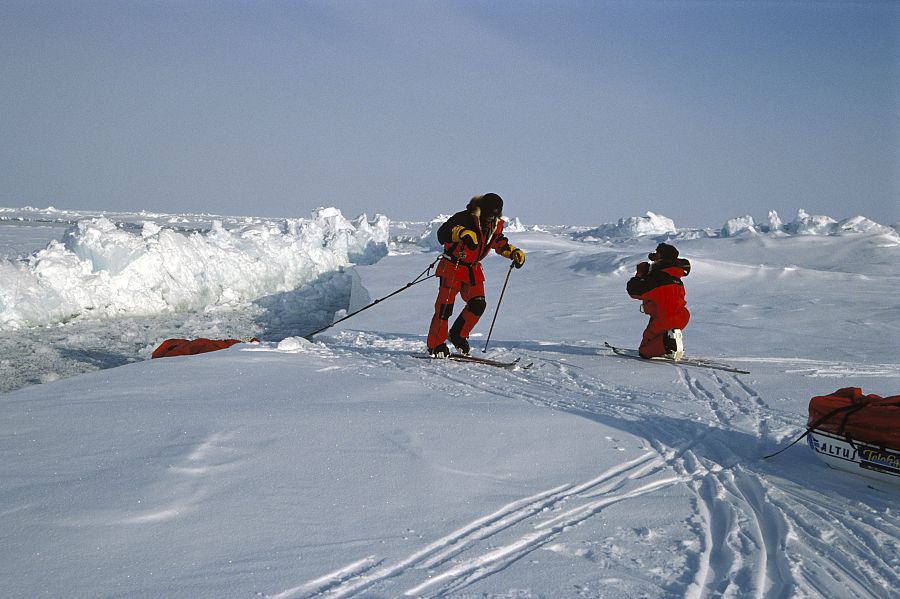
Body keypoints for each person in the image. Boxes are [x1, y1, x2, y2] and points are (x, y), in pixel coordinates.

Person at [427, 193, 525, 357]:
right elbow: (442, 234)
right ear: (482, 209)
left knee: (478, 304)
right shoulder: (464, 218)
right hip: (452, 266)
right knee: (444, 309)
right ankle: (435, 345)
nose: (490, 218)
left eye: (494, 215)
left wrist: (513, 252)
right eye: (488, 214)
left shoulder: (495, 225)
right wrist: (461, 233)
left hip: (472, 270)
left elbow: (498, 241)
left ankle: (458, 335)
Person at [626, 242, 691, 360]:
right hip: (681, 316)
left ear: (662, 257)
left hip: (664, 318)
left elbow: (634, 291)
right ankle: (670, 340)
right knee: (656, 339)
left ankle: (670, 344)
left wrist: (640, 274)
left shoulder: (657, 278)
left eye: (657, 254)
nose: (653, 256)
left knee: (644, 350)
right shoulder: (675, 276)